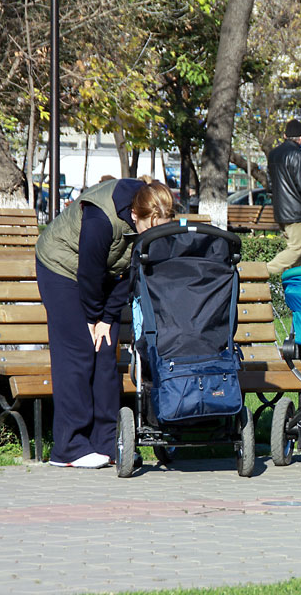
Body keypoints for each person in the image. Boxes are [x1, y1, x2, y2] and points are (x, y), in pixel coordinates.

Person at [34, 177, 175, 468]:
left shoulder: (149, 218)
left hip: (105, 277)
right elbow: (88, 273)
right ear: (136, 215)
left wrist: (107, 319)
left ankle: (108, 442)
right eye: (150, 228)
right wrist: (91, 318)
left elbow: (130, 275)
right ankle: (69, 447)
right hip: (62, 268)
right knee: (78, 352)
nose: (155, 235)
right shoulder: (100, 218)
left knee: (105, 351)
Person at [266, 119, 301, 274]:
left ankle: (296, 282)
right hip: (296, 211)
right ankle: (262, 271)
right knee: (296, 249)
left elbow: (270, 184)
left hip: (280, 210)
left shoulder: (273, 154)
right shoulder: (298, 155)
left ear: (285, 135)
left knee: (300, 250)